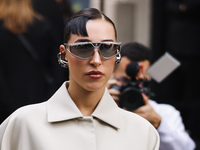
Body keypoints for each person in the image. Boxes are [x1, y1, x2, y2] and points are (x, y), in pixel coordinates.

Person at [0, 8, 160, 150]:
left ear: (116, 53)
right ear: (64, 53)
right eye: (83, 48)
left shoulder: (142, 132)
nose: (96, 60)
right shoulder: (23, 124)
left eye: (107, 48)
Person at [107, 42, 196, 150]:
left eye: (141, 82)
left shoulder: (165, 113)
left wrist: (159, 124)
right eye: (125, 81)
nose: (133, 88)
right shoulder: (101, 108)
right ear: (112, 76)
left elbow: (187, 148)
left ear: (150, 79)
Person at [0, 0, 65, 123]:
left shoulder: (2, 29)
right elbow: (57, 64)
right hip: (39, 96)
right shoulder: (43, 26)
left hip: (5, 104)